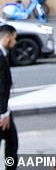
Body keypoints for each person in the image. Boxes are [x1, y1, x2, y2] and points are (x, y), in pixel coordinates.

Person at [0, 24, 17, 169]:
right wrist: (3, 113)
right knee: (12, 142)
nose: (15, 42)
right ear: (6, 37)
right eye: (14, 38)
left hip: (4, 108)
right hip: (1, 111)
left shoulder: (3, 54)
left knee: (12, 142)